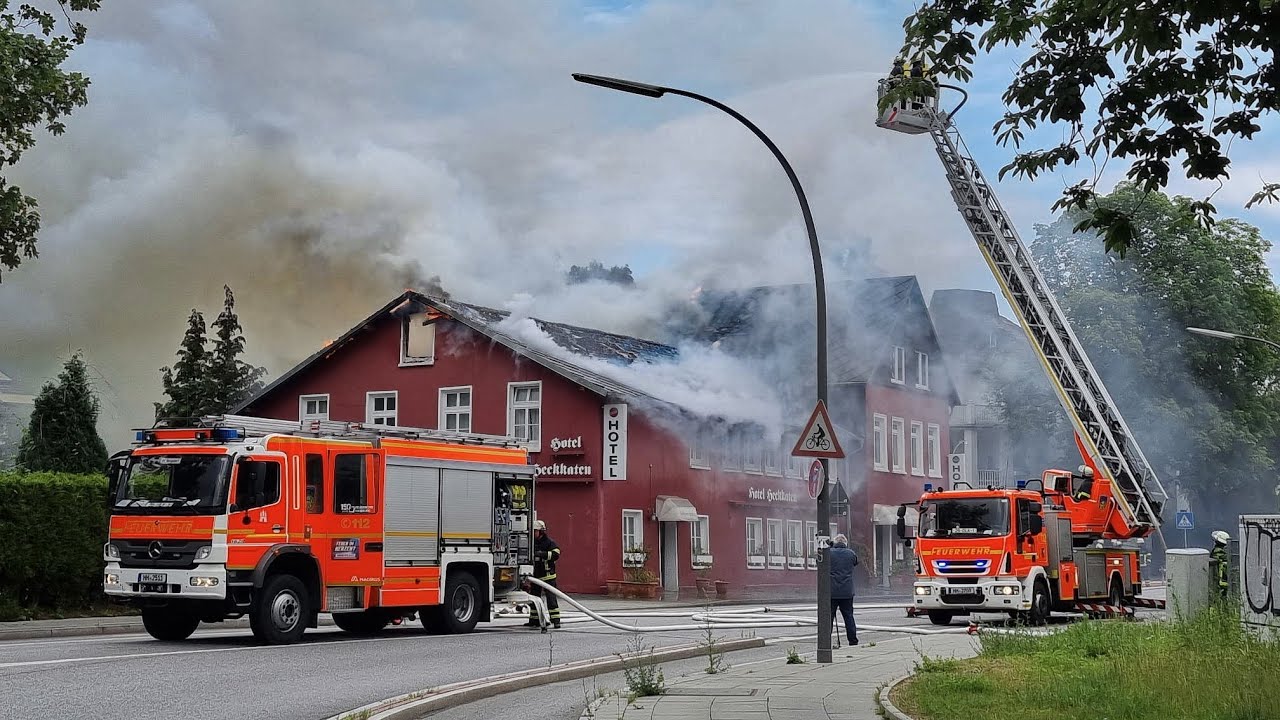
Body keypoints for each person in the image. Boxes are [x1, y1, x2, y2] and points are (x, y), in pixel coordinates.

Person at [526, 520, 562, 628]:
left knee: (551, 599)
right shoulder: (532, 542)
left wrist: (543, 554)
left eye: (535, 531)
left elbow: (556, 554)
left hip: (548, 576)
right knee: (534, 598)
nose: (533, 533)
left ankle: (556, 621)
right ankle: (534, 620)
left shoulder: (549, 542)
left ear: (541, 531)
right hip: (536, 576)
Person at [827, 534, 859, 646]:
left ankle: (826, 640)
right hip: (847, 591)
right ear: (845, 543)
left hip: (831, 591)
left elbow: (819, 563)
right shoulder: (851, 553)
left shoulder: (829, 553)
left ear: (834, 542)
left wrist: (829, 548)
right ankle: (853, 640)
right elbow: (855, 563)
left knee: (828, 617)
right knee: (848, 616)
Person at [1210, 530, 1231, 599]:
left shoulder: (1217, 552)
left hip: (1220, 581)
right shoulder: (1227, 553)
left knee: (1221, 598)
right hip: (1226, 581)